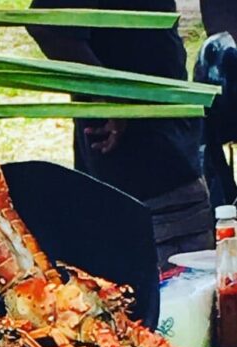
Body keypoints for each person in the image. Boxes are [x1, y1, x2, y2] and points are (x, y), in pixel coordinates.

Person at [28, 0, 214, 268]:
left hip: (171, 146)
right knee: (170, 289)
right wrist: (109, 94)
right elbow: (46, 24)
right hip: (141, 169)